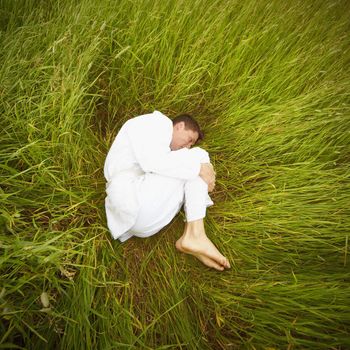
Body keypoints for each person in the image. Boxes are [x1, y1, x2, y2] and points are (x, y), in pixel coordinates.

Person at [104, 111, 230, 271]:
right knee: (199, 156)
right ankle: (195, 235)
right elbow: (152, 162)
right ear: (180, 126)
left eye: (190, 145)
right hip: (131, 201)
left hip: (142, 219)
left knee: (194, 166)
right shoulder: (159, 123)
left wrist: (199, 172)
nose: (187, 147)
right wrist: (199, 168)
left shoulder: (165, 155)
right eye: (189, 140)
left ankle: (194, 234)